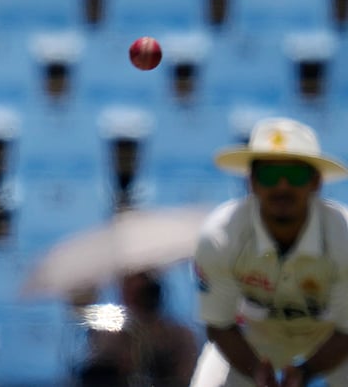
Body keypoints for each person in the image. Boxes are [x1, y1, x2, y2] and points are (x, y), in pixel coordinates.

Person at [191, 117, 348, 387]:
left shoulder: (343, 235)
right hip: (250, 339)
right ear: (251, 181)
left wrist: (305, 372)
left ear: (316, 182)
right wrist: (256, 371)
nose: (282, 187)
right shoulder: (220, 235)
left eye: (295, 175)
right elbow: (220, 324)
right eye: (270, 175)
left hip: (330, 339)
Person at [77, 269, 199, 387]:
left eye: (140, 292)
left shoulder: (178, 335)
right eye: (127, 288)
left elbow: (187, 375)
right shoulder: (110, 337)